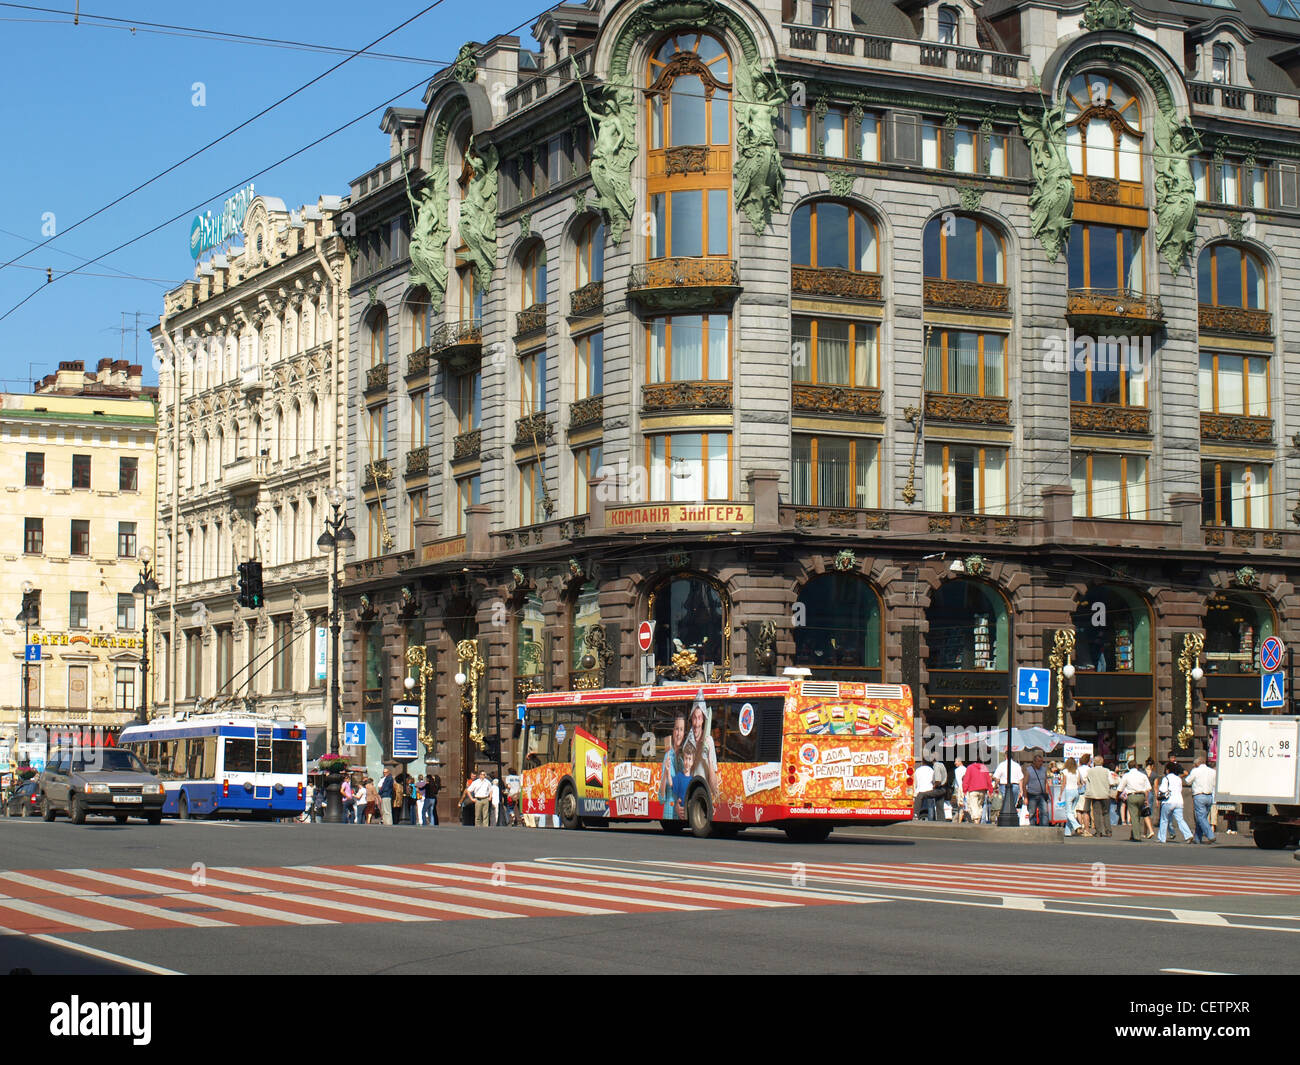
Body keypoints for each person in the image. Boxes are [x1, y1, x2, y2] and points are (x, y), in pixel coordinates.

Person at [1158, 762, 1195, 843]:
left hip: (1168, 801)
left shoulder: (1166, 778)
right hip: (1179, 801)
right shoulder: (1178, 779)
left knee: (1164, 819)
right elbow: (1180, 789)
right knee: (1180, 819)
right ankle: (1188, 835)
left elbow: (1163, 789)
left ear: (1167, 770)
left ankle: (1162, 838)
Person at [1187, 756, 1216, 844]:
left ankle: (1210, 835)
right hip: (1209, 796)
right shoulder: (1212, 771)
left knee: (1201, 817)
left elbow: (1188, 781)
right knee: (1202, 817)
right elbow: (1214, 784)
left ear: (1197, 764)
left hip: (1199, 796)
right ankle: (1197, 838)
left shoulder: (1195, 771)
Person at [1120, 760, 1152, 842]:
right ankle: (1133, 833)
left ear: (1128, 767)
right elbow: (1148, 788)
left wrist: (1118, 796)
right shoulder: (1143, 775)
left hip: (1132, 795)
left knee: (1134, 816)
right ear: (1137, 766)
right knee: (1137, 815)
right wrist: (1146, 799)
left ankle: (1137, 836)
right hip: (1141, 795)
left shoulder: (1126, 775)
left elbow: (1120, 788)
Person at [1084, 755, 1112, 837]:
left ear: (1094, 762)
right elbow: (1111, 781)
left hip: (1094, 794)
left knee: (1096, 813)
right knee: (1106, 813)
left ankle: (1099, 831)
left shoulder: (1090, 771)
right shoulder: (1107, 771)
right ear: (1102, 762)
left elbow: (1086, 780)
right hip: (1105, 794)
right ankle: (1108, 831)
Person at [1022, 751, 1051, 826]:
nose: (1040, 763)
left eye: (1041, 761)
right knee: (1032, 813)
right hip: (1032, 794)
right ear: (1034, 762)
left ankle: (1044, 829)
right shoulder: (1029, 770)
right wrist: (1025, 797)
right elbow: (1024, 784)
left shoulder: (1044, 770)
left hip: (1042, 794)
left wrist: (1046, 793)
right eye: (1038, 761)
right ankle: (1032, 828)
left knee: (1044, 812)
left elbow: (1045, 782)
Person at [992, 755, 1024, 820]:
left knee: (1005, 803)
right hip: (1015, 786)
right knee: (1013, 804)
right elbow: (1021, 778)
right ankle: (1012, 818)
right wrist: (1021, 789)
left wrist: (995, 786)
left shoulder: (1001, 765)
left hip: (1004, 785)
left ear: (1005, 756)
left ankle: (1006, 818)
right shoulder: (1017, 765)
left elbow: (997, 777)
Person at [962, 759, 992, 823]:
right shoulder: (984, 767)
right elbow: (988, 780)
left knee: (973, 806)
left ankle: (976, 821)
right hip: (983, 790)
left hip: (973, 789)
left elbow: (966, 779)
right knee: (979, 806)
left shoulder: (970, 767)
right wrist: (990, 790)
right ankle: (978, 820)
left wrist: (964, 790)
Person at [1061, 757, 1082, 836]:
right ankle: (1067, 832)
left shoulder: (1065, 771)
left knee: (1068, 812)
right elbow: (1079, 782)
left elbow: (1064, 783)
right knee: (1071, 812)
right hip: (1076, 792)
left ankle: (1077, 826)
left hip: (1069, 791)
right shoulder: (1077, 771)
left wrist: (1060, 794)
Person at [952, 758, 967, 823]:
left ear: (960, 762)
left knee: (960, 805)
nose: (955, 763)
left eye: (956, 761)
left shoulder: (957, 770)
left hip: (960, 789)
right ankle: (957, 820)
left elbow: (959, 781)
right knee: (964, 805)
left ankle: (958, 821)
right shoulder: (966, 769)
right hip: (965, 789)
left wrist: (961, 790)